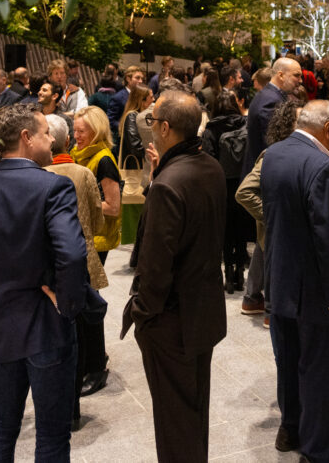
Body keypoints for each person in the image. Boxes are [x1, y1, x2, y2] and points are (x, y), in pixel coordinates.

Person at [0, 105, 89, 462]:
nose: (52, 140)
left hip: (0, 323)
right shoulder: (54, 186)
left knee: (1, 423)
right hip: (46, 325)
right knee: (51, 435)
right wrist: (70, 303)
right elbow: (73, 254)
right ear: (27, 139)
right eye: (46, 133)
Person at [121, 91, 227, 463]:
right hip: (204, 312)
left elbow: (155, 265)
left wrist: (143, 314)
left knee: (174, 420)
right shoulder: (209, 165)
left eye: (152, 123)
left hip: (172, 321)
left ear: (165, 128)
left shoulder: (169, 183)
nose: (150, 130)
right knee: (192, 409)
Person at [261, 100, 329, 463]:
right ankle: (318, 451)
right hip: (318, 291)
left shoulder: (274, 154)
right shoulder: (322, 166)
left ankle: (290, 429)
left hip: (282, 280)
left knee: (290, 363)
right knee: (323, 372)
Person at [44, 113, 109, 433]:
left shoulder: (37, 174)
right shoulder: (82, 173)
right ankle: (84, 383)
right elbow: (98, 221)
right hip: (82, 256)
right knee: (81, 325)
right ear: (66, 140)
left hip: (45, 266)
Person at [240, 57, 303, 315]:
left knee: (266, 238)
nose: (300, 81)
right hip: (269, 175)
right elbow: (276, 142)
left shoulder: (268, 96)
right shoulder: (270, 101)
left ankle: (253, 296)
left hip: (268, 173)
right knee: (270, 238)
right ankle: (269, 307)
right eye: (296, 76)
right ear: (280, 75)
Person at [70, 105, 120, 397]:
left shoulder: (103, 160)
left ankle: (96, 367)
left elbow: (113, 207)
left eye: (82, 131)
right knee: (87, 298)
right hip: (84, 235)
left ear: (97, 132)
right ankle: (93, 358)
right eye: (74, 130)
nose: (76, 136)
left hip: (97, 239)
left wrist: (78, 201)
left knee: (90, 301)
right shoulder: (81, 155)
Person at [201, 89, 251, 293]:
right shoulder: (245, 124)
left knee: (225, 230)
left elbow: (208, 159)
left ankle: (228, 273)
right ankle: (241, 270)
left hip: (220, 185)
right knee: (240, 230)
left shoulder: (211, 129)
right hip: (242, 183)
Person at [118, 83, 151, 170]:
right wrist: (152, 151)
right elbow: (135, 146)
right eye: (151, 97)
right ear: (142, 101)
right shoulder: (132, 116)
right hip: (135, 169)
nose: (154, 99)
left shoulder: (141, 115)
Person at [106, 65, 145, 136]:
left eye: (141, 78)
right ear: (128, 79)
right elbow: (110, 120)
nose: (141, 81)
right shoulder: (118, 97)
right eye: (137, 78)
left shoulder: (142, 96)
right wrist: (125, 127)